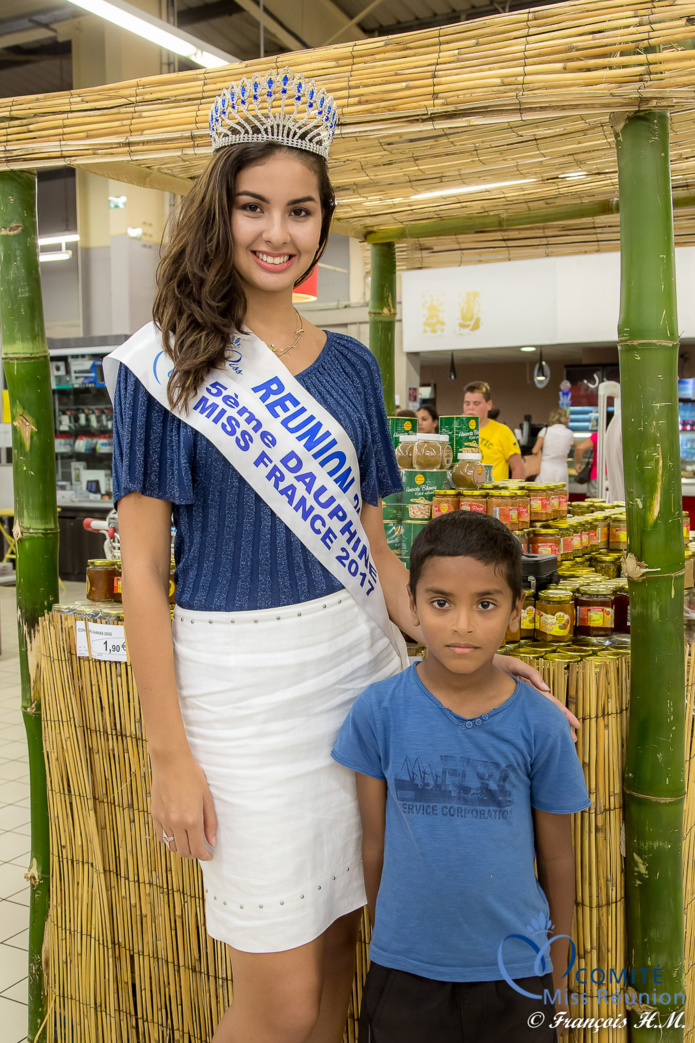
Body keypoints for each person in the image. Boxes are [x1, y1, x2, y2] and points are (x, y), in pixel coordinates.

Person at [104, 67, 562, 1043]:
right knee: (274, 1000)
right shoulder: (168, 361)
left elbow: (370, 539)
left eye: (300, 210)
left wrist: (458, 649)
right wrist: (168, 752)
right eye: (253, 206)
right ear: (217, 212)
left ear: (325, 221)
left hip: (356, 678)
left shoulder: (353, 367)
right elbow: (142, 571)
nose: (277, 231)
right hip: (238, 699)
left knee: (340, 960)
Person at [333, 511, 590, 1043]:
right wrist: (391, 938)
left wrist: (558, 971)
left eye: (487, 604)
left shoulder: (541, 724)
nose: (463, 625)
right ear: (412, 603)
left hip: (517, 973)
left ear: (518, 610)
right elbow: (374, 845)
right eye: (442, 602)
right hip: (404, 973)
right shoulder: (378, 712)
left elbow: (559, 860)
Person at [463, 381, 524, 480]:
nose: (470, 408)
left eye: (476, 403)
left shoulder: (503, 431)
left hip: (494, 493)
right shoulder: (458, 432)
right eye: (467, 403)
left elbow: (518, 468)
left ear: (488, 405)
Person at [533, 408, 575, 487]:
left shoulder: (545, 431)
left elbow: (535, 450)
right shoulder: (569, 433)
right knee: (559, 494)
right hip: (561, 468)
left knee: (543, 493)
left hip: (546, 467)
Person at [574, 430, 598, 495]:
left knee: (595, 502)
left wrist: (577, 464)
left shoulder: (598, 435)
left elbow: (579, 448)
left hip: (597, 473)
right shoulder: (620, 434)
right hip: (616, 473)